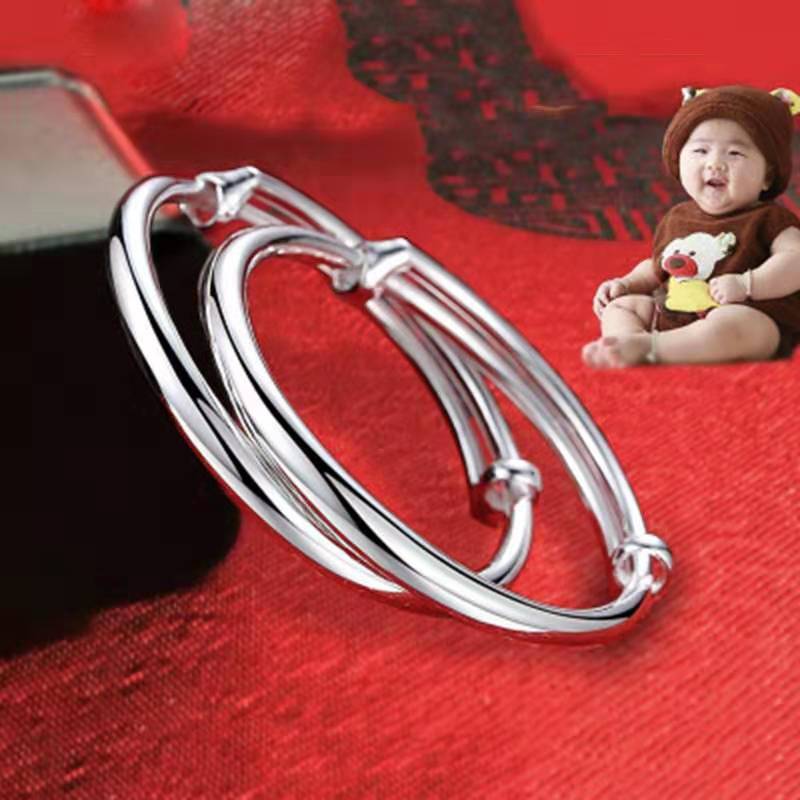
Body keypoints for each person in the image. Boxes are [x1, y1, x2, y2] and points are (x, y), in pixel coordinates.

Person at [582, 85, 800, 367]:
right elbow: (657, 266)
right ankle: (628, 342)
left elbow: (795, 260)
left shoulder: (770, 219)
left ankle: (654, 348)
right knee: (621, 307)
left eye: (735, 153)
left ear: (767, 176)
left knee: (739, 326)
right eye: (700, 150)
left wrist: (748, 284)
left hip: (746, 311)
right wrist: (626, 283)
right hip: (673, 312)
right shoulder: (677, 218)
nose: (715, 163)